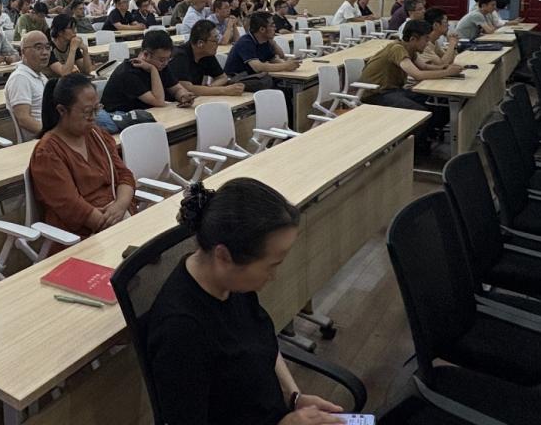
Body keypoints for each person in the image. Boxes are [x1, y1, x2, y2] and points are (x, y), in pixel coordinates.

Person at [147, 179, 345, 425]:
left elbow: (261, 342)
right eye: (271, 265)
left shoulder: (231, 283)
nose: (274, 276)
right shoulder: (181, 331)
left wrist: (294, 398)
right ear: (223, 256)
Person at [28, 74, 137, 238]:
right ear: (62, 110)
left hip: (117, 215)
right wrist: (113, 224)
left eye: (97, 109)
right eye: (87, 112)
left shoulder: (98, 135)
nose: (94, 117)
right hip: (81, 233)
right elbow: (71, 206)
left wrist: (121, 205)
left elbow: (124, 175)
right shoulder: (48, 153)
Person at [357, 19, 460, 154]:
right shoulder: (397, 49)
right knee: (419, 112)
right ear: (413, 39)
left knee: (438, 103)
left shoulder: (411, 50)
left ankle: (426, 137)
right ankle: (413, 153)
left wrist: (446, 68)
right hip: (376, 94)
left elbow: (424, 67)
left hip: (394, 91)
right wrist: (447, 72)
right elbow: (417, 74)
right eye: (425, 39)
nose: (428, 43)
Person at [101, 30, 195, 118]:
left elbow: (176, 89)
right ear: (145, 54)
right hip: (118, 118)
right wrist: (153, 70)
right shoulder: (128, 72)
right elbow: (159, 101)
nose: (166, 63)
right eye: (162, 60)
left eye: (168, 58)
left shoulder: (162, 66)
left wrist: (183, 96)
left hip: (145, 114)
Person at [169, 20, 246, 98]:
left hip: (195, 99)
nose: (218, 44)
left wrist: (209, 88)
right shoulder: (179, 56)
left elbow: (223, 77)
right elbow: (186, 88)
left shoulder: (206, 54)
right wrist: (224, 90)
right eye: (214, 41)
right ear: (200, 43)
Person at [4, 30, 51, 140]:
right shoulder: (20, 78)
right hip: (40, 141)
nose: (45, 52)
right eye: (38, 48)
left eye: (47, 47)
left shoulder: (41, 76)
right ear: (23, 52)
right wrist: (54, 135)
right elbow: (24, 119)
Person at [224, 13, 300, 79]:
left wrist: (289, 64)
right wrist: (285, 66)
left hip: (252, 77)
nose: (275, 28)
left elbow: (274, 59)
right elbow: (257, 67)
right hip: (236, 79)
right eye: (272, 25)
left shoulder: (264, 41)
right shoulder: (245, 42)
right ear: (262, 29)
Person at [47, 14, 94, 79]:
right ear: (60, 32)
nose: (75, 31)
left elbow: (86, 71)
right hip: (51, 82)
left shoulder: (71, 45)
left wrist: (85, 50)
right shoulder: (48, 49)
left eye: (75, 28)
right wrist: (73, 49)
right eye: (71, 28)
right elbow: (64, 73)